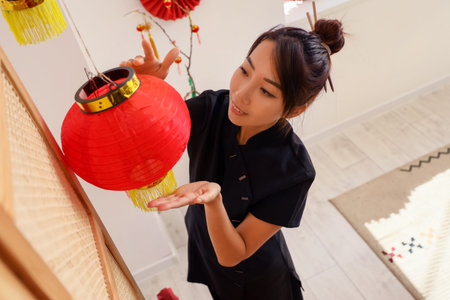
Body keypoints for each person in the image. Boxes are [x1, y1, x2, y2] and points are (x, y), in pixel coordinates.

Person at [121, 19, 345, 300]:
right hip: (205, 243)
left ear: (296, 109)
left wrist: (213, 200)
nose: (241, 93)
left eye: (266, 91)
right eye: (244, 70)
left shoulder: (295, 170)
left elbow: (233, 253)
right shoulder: (210, 107)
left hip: (260, 278)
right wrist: (145, 87)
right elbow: (146, 136)